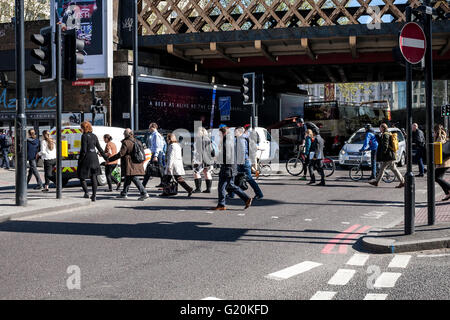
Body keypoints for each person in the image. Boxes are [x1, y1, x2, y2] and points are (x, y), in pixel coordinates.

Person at [213, 126, 252, 211]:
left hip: (227, 167)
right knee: (228, 185)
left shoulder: (226, 141)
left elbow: (228, 156)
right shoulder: (230, 140)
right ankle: (245, 199)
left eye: (219, 134)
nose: (219, 135)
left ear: (223, 133)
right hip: (231, 167)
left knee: (224, 186)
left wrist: (218, 158)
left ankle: (222, 204)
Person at [109, 129, 149, 201]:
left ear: (127, 134)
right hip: (136, 162)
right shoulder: (137, 141)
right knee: (128, 178)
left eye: (124, 133)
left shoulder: (126, 142)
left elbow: (121, 153)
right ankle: (124, 193)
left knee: (133, 177)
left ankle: (144, 193)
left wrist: (110, 159)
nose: (123, 134)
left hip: (129, 163)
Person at [77, 121, 108, 201]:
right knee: (93, 176)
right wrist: (106, 158)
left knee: (81, 176)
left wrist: (80, 160)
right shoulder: (94, 136)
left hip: (87, 158)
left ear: (84, 128)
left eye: (81, 128)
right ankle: (94, 195)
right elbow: (100, 148)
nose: (81, 129)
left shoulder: (84, 136)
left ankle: (86, 192)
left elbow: (83, 150)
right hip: (94, 158)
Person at [369, 123, 405, 188]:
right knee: (383, 168)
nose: (379, 129)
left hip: (389, 155)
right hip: (388, 155)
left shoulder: (386, 134)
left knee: (393, 169)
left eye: (380, 127)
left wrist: (383, 153)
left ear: (383, 128)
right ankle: (376, 182)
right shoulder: (386, 134)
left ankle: (402, 182)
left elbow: (385, 145)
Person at [235, 127, 264, 200]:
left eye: (235, 132)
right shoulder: (243, 138)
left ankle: (259, 194)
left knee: (249, 179)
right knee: (237, 177)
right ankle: (231, 194)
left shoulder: (241, 139)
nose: (234, 133)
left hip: (243, 161)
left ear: (240, 132)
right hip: (244, 161)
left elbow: (242, 151)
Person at [143, 122, 166, 188]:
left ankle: (144, 184)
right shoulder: (153, 134)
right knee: (157, 168)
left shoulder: (156, 135)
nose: (149, 129)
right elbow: (153, 146)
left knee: (156, 168)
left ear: (153, 127)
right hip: (156, 153)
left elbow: (158, 146)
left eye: (150, 127)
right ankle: (163, 183)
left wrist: (155, 156)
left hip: (157, 154)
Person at [192, 126, 214, 193]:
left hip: (201, 159)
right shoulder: (208, 139)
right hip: (209, 159)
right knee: (207, 172)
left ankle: (198, 189)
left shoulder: (199, 140)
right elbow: (212, 151)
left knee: (196, 172)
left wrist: (195, 160)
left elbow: (198, 151)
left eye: (198, 131)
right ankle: (208, 189)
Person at [433, 124, 450, 201]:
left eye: (434, 132)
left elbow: (439, 150)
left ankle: (448, 190)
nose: (433, 133)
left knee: (436, 177)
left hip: (443, 162)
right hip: (444, 162)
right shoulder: (443, 135)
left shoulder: (440, 137)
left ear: (436, 131)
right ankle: (447, 193)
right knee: (438, 178)